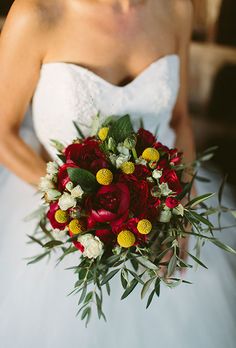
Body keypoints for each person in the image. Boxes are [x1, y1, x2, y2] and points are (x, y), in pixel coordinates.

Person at [0, 1, 235, 347]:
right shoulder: (37, 13)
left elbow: (178, 120)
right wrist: (75, 210)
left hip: (159, 219)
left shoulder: (176, 9)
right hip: (66, 224)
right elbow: (3, 133)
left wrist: (181, 209)